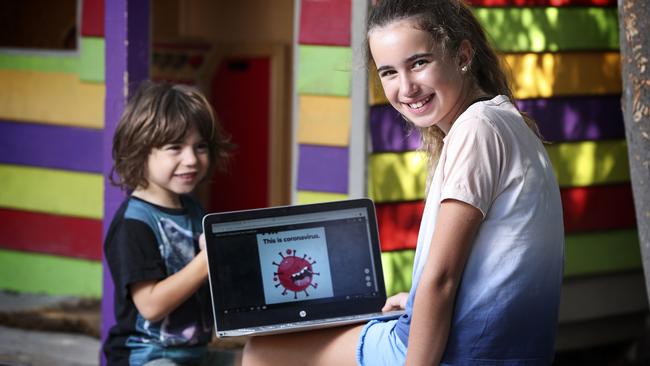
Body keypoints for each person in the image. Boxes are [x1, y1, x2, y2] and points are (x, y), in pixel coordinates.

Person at [243, 0, 564, 365]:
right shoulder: (504, 122)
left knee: (261, 351)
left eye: (419, 63)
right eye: (388, 73)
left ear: (462, 55)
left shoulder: (478, 129)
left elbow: (441, 280)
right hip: (505, 351)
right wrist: (414, 299)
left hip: (462, 353)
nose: (406, 87)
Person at [103, 81, 232, 365]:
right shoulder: (134, 224)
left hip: (195, 353)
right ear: (140, 151)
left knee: (262, 358)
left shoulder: (193, 208)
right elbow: (150, 305)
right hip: (147, 356)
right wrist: (206, 262)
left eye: (200, 146)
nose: (191, 159)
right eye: (175, 147)